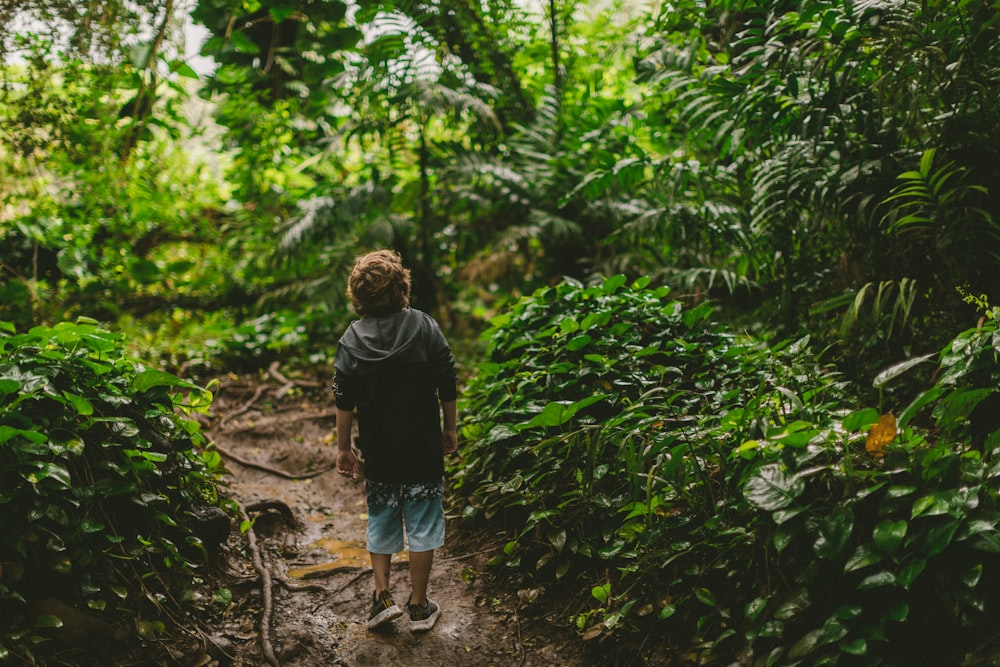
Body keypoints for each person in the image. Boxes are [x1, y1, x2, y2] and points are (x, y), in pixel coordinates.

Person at [332, 249, 458, 632]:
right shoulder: (424, 327)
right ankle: (419, 606)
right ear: (403, 286)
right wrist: (449, 428)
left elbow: (343, 400)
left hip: (380, 453)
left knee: (382, 519)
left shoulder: (352, 340)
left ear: (359, 296)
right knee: (422, 523)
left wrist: (344, 448)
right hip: (422, 450)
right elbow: (447, 382)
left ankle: (383, 597)